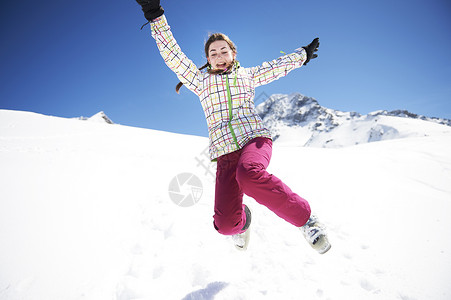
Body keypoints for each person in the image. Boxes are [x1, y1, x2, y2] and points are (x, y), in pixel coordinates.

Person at [135, 0, 331, 254]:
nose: (219, 56)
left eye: (223, 51)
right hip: (225, 152)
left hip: (254, 140)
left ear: (233, 53)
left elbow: (275, 68)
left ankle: (307, 220)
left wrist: (302, 55)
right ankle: (243, 220)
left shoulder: (246, 76)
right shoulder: (199, 81)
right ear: (207, 59)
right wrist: (154, 15)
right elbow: (173, 56)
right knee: (226, 225)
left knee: (248, 173)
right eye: (213, 53)